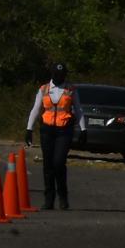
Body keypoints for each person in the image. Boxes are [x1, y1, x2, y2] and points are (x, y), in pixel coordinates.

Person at [25, 62, 86, 210]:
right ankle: (49, 199)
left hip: (64, 130)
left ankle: (63, 197)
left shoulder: (71, 89)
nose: (60, 78)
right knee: (48, 165)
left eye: (62, 75)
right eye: (57, 75)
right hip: (47, 130)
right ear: (52, 75)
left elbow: (78, 109)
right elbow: (36, 109)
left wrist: (83, 129)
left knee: (58, 163)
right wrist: (29, 129)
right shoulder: (44, 89)